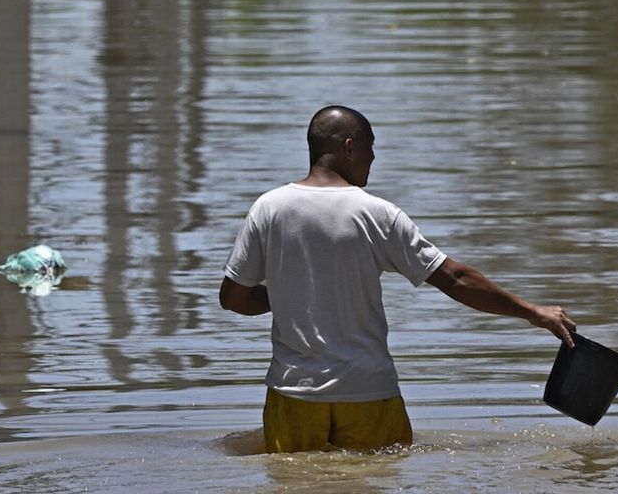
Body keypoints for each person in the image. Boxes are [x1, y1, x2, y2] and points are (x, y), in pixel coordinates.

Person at [221, 105, 576, 453]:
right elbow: (454, 278)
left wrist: (291, 290)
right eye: (370, 146)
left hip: (293, 395)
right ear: (349, 147)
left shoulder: (267, 209)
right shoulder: (378, 214)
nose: (373, 158)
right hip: (368, 392)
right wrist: (532, 311)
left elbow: (234, 298)